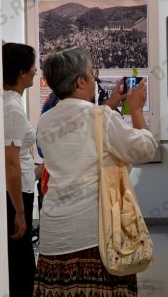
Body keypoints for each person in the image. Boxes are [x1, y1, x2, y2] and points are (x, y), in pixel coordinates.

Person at [34, 47, 157, 297]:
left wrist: (111, 105)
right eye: (92, 73)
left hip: (55, 232)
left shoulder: (45, 120)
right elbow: (145, 149)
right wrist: (135, 111)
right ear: (80, 81)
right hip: (95, 232)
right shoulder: (98, 117)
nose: (94, 79)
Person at [2, 42, 37, 296]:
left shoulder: (9, 102)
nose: (36, 71)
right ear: (21, 73)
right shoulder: (12, 108)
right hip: (17, 196)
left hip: (20, 189)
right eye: (32, 67)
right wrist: (20, 212)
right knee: (21, 267)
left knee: (21, 264)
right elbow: (10, 163)